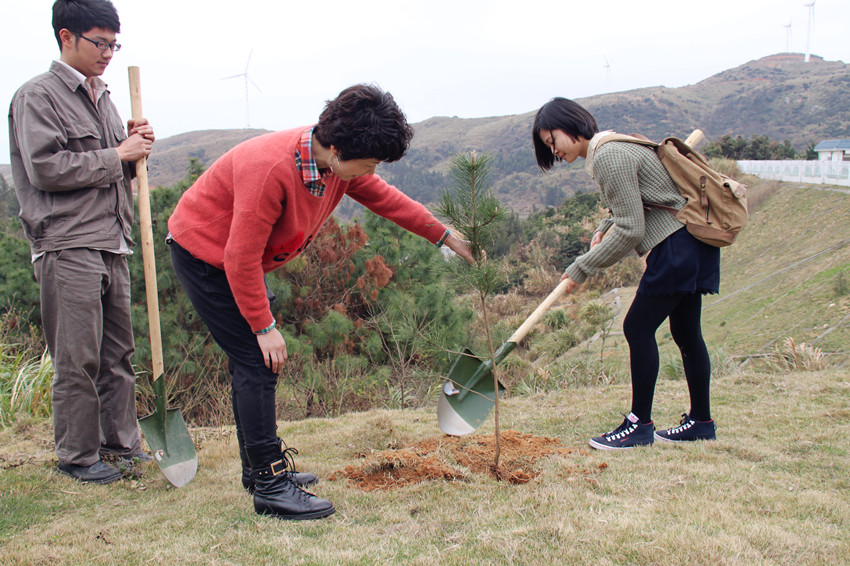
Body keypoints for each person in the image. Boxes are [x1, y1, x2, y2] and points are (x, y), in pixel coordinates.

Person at [167, 83, 473, 520]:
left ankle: (257, 470)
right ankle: (270, 485)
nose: (371, 171)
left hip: (238, 258)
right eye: (369, 163)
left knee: (254, 361)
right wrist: (263, 326)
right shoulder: (270, 169)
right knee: (257, 359)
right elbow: (239, 258)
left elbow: (386, 199)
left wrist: (443, 234)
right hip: (206, 255)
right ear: (336, 150)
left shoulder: (332, 162)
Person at [8, 0, 155, 484]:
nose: (108, 53)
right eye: (100, 43)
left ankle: (121, 445)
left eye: (114, 44)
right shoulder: (37, 96)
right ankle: (77, 456)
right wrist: (118, 155)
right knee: (78, 358)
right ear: (66, 36)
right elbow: (46, 169)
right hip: (67, 244)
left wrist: (134, 149)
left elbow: (116, 169)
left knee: (118, 355)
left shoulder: (104, 98)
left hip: (114, 241)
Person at [532, 97, 719, 450]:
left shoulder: (608, 156)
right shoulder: (615, 145)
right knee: (686, 332)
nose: (554, 150)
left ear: (570, 124)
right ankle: (701, 422)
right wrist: (605, 225)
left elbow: (632, 228)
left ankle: (639, 425)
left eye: (552, 140)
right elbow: (640, 202)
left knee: (637, 327)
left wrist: (582, 267)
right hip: (694, 243)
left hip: (675, 247)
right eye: (548, 147)